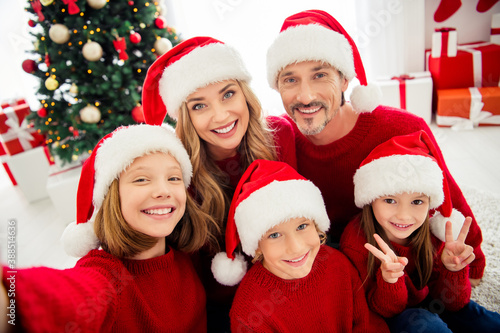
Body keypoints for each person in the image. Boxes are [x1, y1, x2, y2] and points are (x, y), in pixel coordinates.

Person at [265, 9, 484, 285]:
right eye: (290, 79)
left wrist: (471, 261)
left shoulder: (401, 128)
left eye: (320, 75)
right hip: (336, 258)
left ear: (345, 79)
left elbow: (448, 198)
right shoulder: (277, 141)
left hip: (396, 257)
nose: (305, 95)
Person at [142, 36, 297, 331]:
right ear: (185, 116)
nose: (221, 115)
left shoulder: (280, 137)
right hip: (222, 307)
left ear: (244, 93)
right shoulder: (178, 169)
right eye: (199, 106)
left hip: (285, 282)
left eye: (228, 94)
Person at [0, 124, 216, 332]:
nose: (163, 190)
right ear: (111, 197)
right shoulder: (107, 277)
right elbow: (65, 297)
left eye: (174, 178)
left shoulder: (187, 253)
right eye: (141, 179)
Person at [339, 131, 500, 333]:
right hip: (395, 314)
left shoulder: (434, 231)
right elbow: (383, 312)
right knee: (428, 324)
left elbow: (453, 304)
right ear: (371, 200)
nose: (404, 216)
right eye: (390, 200)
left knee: (483, 321)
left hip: (431, 299)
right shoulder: (356, 242)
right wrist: (390, 280)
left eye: (417, 202)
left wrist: (454, 272)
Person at [210, 159, 390, 332]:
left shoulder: (339, 265)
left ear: (317, 226)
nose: (295, 247)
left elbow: (363, 323)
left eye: (302, 226)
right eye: (274, 235)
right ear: (257, 246)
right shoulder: (250, 313)